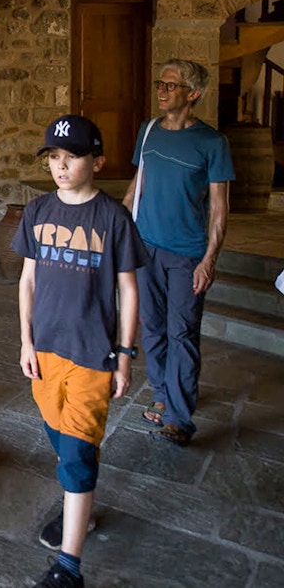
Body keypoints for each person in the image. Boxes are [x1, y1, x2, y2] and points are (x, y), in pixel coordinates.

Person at [12, 114, 148, 588]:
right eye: (54, 157)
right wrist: (27, 341)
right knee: (61, 439)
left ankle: (69, 567)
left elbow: (128, 291)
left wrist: (125, 355)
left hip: (93, 353)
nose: (61, 166)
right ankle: (82, 509)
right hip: (45, 350)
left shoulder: (112, 218)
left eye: (72, 157)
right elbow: (27, 281)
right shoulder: (38, 211)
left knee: (75, 455)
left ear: (98, 161)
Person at [122, 58, 235, 447]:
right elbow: (136, 186)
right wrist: (118, 231)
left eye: (171, 85)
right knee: (151, 326)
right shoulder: (149, 130)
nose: (162, 90)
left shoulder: (212, 143)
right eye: (160, 83)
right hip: (145, 247)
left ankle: (179, 419)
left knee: (182, 332)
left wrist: (209, 259)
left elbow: (220, 208)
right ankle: (162, 392)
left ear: (193, 94)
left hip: (187, 253)